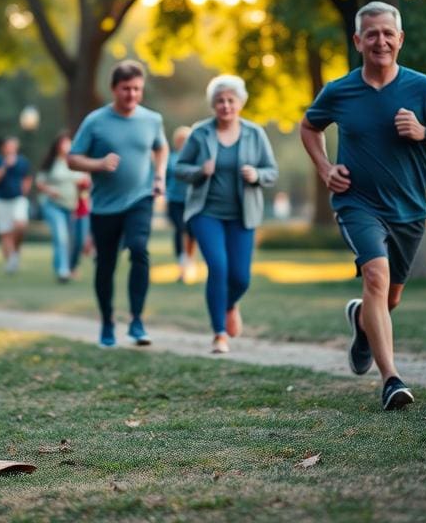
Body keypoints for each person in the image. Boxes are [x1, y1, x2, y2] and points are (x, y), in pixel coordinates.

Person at [299, 1, 426, 410]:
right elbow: (309, 127)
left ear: (400, 39)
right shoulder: (339, 91)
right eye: (372, 34)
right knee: (376, 277)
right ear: (358, 41)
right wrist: (325, 169)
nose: (380, 40)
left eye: (387, 33)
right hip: (356, 203)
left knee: (389, 298)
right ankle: (391, 380)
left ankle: (363, 322)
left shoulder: (423, 88)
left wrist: (424, 131)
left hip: (409, 211)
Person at [68, 60, 168, 348]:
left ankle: (137, 321)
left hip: (141, 198)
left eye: (137, 89)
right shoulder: (95, 121)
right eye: (126, 89)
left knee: (139, 249)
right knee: (106, 265)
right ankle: (107, 322)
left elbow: (161, 147)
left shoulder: (152, 120)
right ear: (114, 89)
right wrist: (98, 163)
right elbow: (73, 158)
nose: (132, 95)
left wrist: (159, 176)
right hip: (104, 205)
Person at [176, 76, 278, 353]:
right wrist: (199, 171)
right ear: (213, 105)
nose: (225, 105)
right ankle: (219, 333)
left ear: (240, 103)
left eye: (230, 100)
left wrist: (257, 174)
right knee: (218, 268)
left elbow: (272, 171)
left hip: (243, 215)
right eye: (220, 101)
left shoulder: (254, 133)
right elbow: (179, 167)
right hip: (205, 212)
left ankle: (230, 304)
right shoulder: (200, 133)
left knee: (241, 278)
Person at [36, 131, 87, 283]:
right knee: (61, 235)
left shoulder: (76, 162)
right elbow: (39, 183)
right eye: (63, 143)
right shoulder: (51, 163)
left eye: (68, 143)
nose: (66, 146)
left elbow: (84, 183)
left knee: (76, 240)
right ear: (57, 146)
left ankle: (68, 266)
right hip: (52, 205)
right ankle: (62, 271)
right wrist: (50, 191)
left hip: (72, 206)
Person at [0, 136, 33, 274]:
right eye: (8, 146)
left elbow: (28, 177)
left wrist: (25, 190)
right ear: (3, 147)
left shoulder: (23, 161)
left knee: (21, 225)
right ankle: (11, 261)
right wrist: (4, 166)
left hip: (18, 199)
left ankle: (14, 255)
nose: (11, 148)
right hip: (0, 201)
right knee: (5, 232)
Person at [165, 125, 197, 283]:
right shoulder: (170, 158)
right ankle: (181, 263)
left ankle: (188, 263)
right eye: (180, 140)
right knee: (180, 229)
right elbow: (163, 178)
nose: (182, 143)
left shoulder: (196, 158)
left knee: (192, 234)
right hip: (174, 201)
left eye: (185, 140)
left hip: (192, 202)